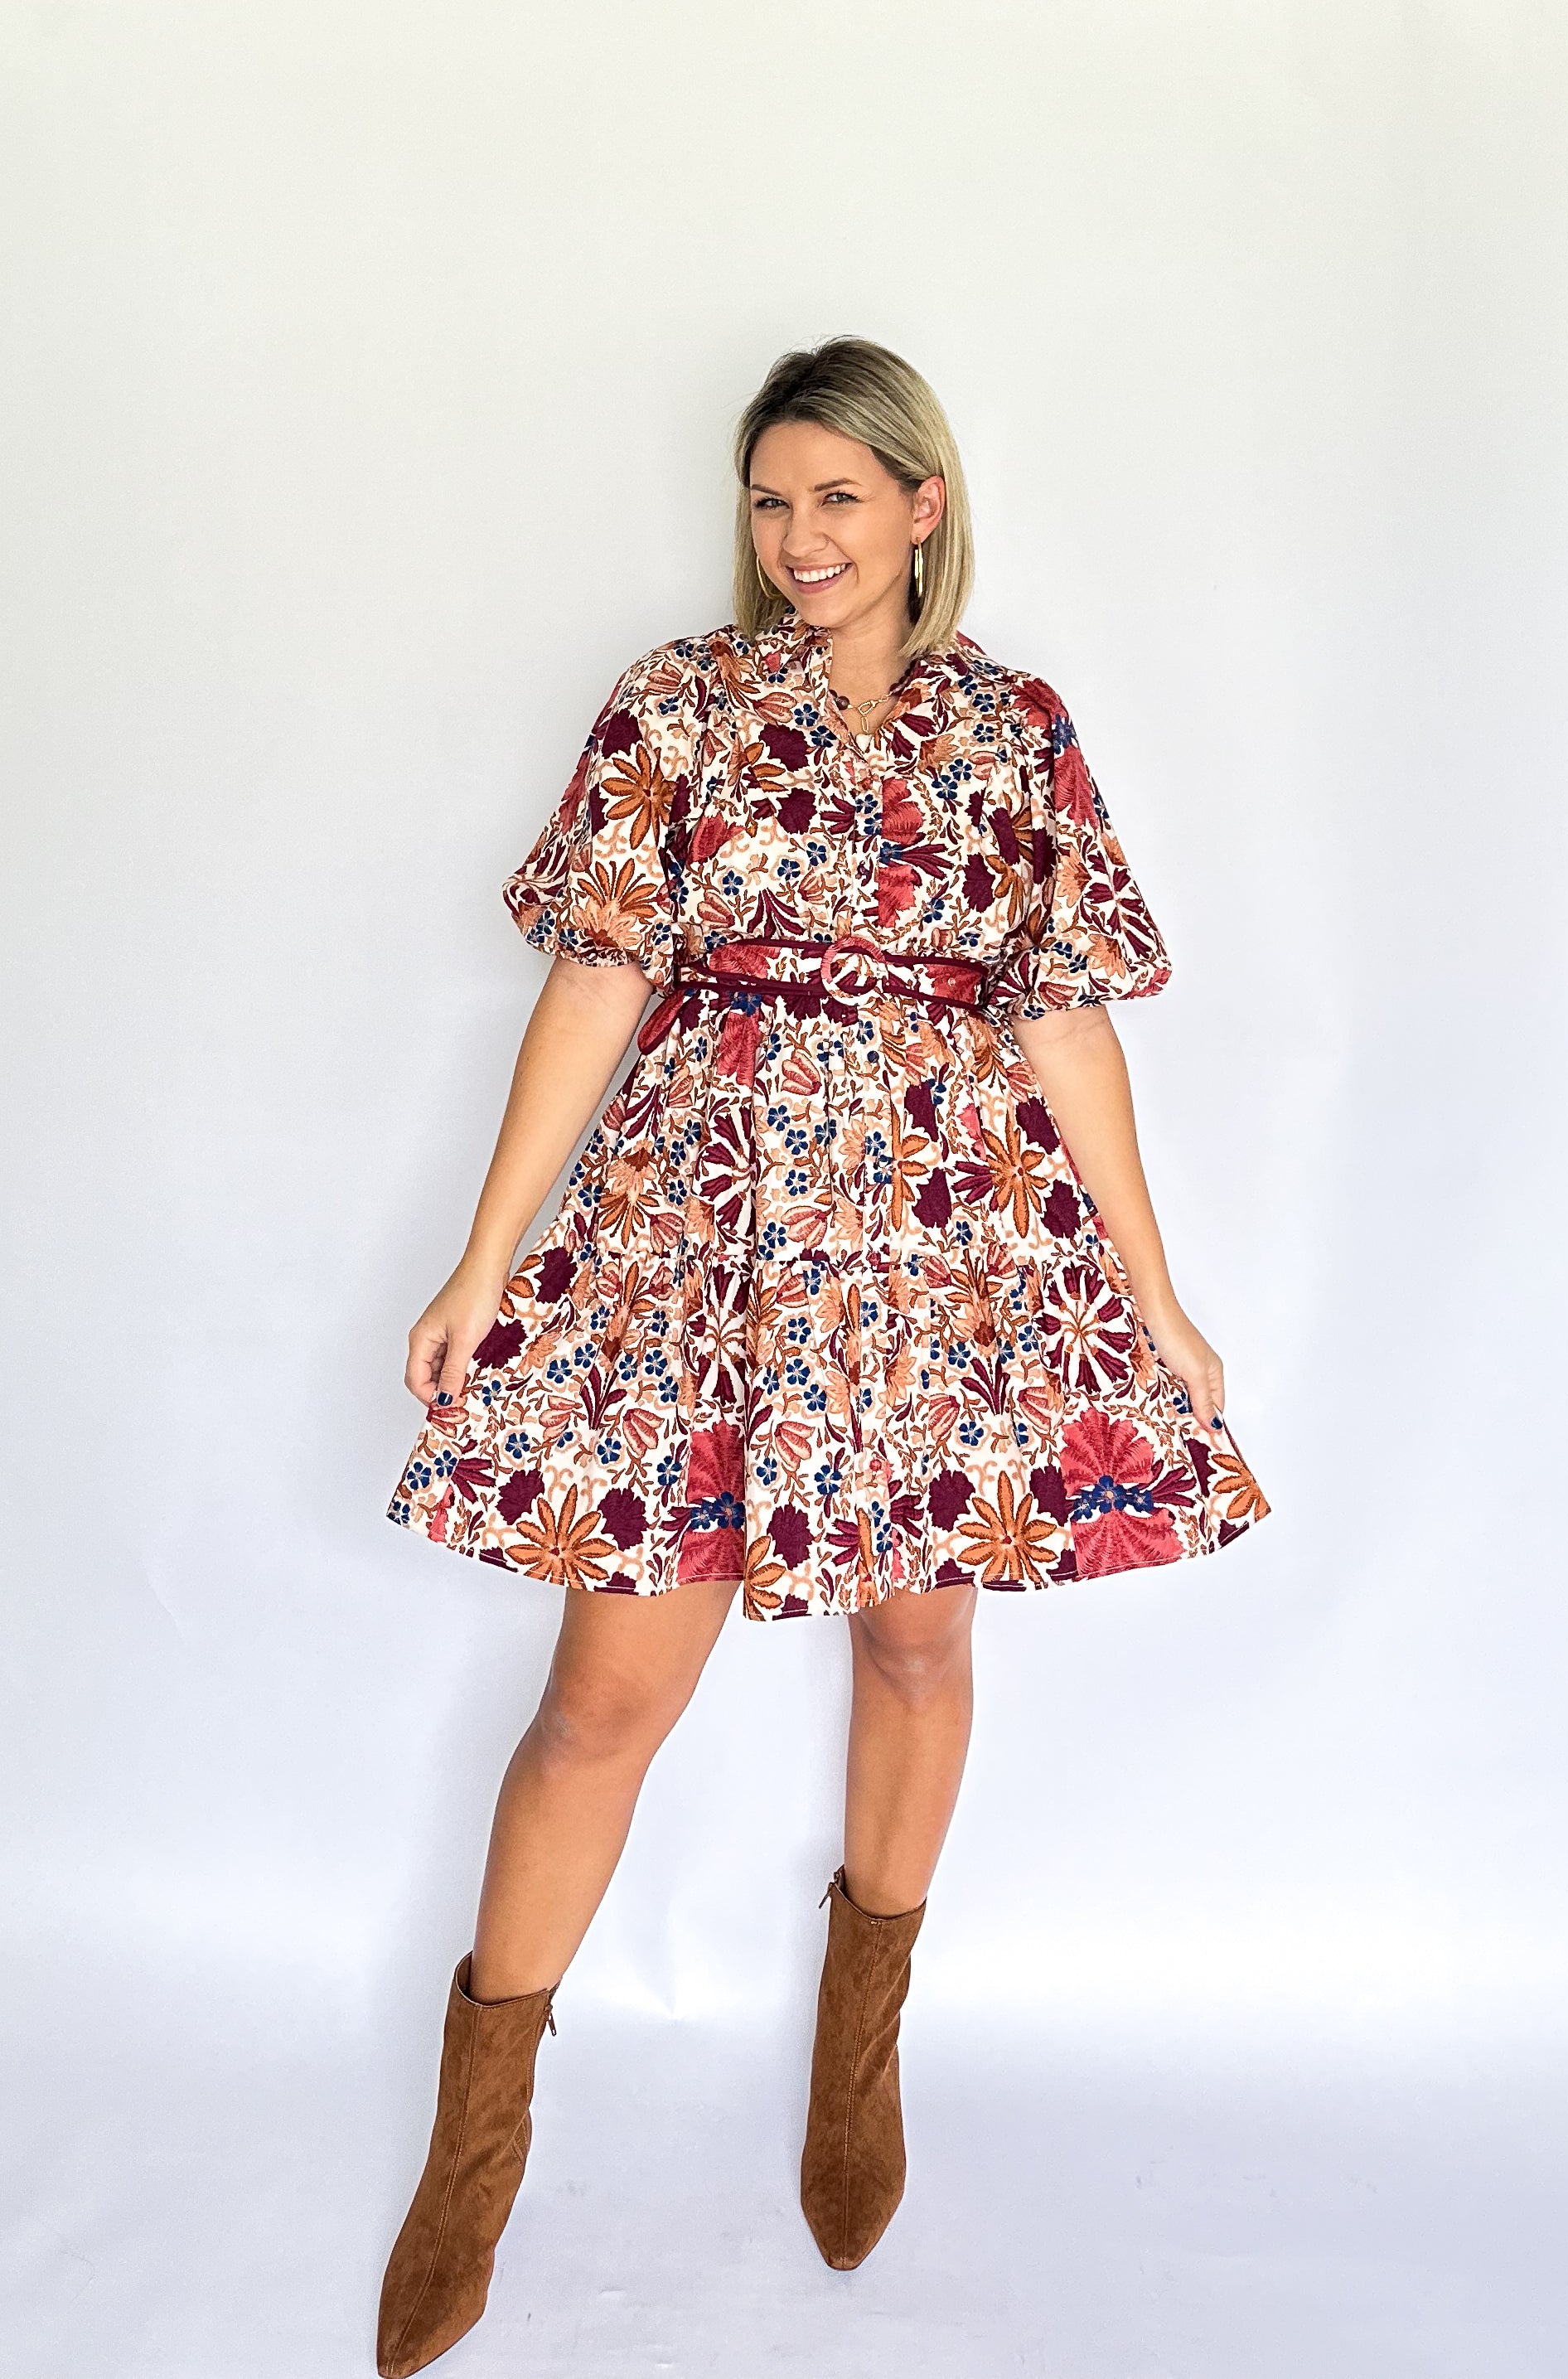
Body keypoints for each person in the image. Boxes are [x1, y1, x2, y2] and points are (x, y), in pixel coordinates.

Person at [374, 336, 1269, 2377]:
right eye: (773, 501)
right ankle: (475, 2150)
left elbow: (1064, 1024)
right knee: (602, 1701)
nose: (800, 539)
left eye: (839, 498)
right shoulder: (677, 705)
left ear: (923, 505)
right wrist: (483, 1256)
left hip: (940, 1256)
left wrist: (1159, 1294)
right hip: (696, 1245)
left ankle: (857, 2058)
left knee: (918, 1645)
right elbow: (596, 985)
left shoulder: (1013, 728)